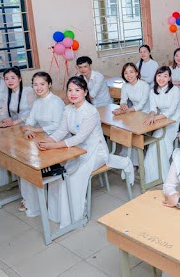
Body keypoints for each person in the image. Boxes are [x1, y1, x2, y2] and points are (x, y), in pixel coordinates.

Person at [39, 76, 132, 228]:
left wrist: (53, 146)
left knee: (73, 177)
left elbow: (80, 137)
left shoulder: (91, 111)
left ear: (85, 92)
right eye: (70, 90)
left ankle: (75, 217)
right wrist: (48, 141)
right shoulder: (68, 109)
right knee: (60, 175)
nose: (73, 93)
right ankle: (56, 214)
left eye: (77, 90)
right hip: (77, 150)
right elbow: (61, 130)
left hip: (96, 151)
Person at [20, 72, 65, 217]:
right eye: (35, 84)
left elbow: (57, 125)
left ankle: (41, 202)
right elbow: (30, 121)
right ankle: (32, 203)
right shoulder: (37, 102)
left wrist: (35, 129)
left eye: (42, 84)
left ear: (49, 84)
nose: (38, 87)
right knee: (25, 163)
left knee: (33, 165)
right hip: (41, 140)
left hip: (57, 139)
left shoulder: (56, 101)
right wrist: (28, 130)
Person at [143, 66, 180, 184]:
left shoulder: (175, 90)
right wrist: (151, 115)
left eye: (165, 76)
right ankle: (153, 174)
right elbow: (152, 108)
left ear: (169, 78)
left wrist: (155, 117)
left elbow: (171, 111)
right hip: (161, 121)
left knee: (163, 140)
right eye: (159, 75)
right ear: (155, 77)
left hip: (175, 121)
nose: (161, 78)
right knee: (156, 138)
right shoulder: (152, 91)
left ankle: (164, 173)